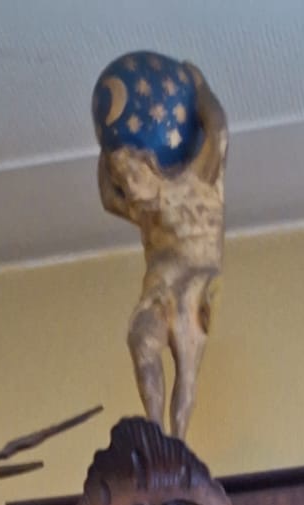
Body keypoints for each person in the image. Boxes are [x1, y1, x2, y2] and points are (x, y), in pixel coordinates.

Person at [97, 68, 227, 439]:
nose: (129, 189)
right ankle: (155, 434)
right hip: (158, 289)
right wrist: (106, 138)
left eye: (131, 177)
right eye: (124, 182)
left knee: (186, 369)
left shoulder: (198, 182)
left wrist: (200, 87)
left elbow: (218, 131)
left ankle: (177, 442)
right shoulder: (145, 211)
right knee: (141, 343)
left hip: (194, 284)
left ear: (149, 166)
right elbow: (108, 198)